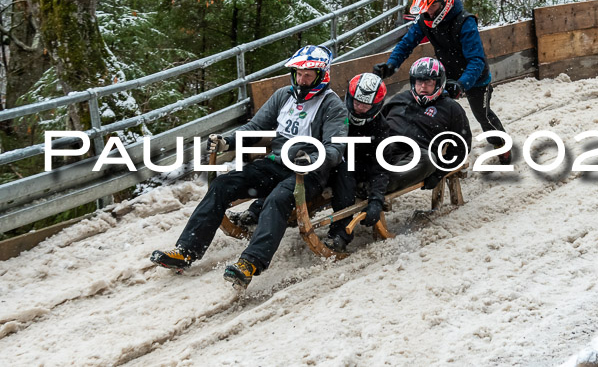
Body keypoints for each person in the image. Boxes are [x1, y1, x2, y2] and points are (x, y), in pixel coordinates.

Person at [150, 45, 348, 289]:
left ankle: (250, 262)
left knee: (277, 200)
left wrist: (313, 159)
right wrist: (228, 140)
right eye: (298, 73)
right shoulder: (283, 95)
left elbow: (335, 148)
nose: (301, 79)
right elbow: (254, 128)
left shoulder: (331, 105)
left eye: (307, 75)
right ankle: (186, 250)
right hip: (276, 164)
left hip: (309, 173)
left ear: (321, 76)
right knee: (223, 184)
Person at [373, 0, 509, 164]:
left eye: (433, 6)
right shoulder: (425, 20)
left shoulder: (465, 22)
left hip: (475, 78)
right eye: (426, 7)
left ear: (446, 0)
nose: (429, 12)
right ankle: (438, 151)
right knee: (433, 112)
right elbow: (407, 43)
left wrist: (462, 85)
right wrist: (391, 65)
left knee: (482, 115)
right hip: (445, 77)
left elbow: (476, 60)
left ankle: (502, 145)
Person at [323, 72, 393, 252]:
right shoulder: (337, 112)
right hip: (331, 156)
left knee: (345, 172)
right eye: (355, 101)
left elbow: (381, 167)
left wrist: (376, 199)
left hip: (359, 167)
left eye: (364, 104)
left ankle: (340, 234)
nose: (358, 107)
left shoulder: (381, 129)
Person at [382, 57, 471, 192]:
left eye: (428, 82)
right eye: (419, 81)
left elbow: (461, 148)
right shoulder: (400, 98)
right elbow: (377, 123)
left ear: (438, 82)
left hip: (415, 156)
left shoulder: (451, 109)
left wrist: (439, 172)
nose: (423, 86)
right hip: (385, 148)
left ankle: (378, 187)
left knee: (428, 159)